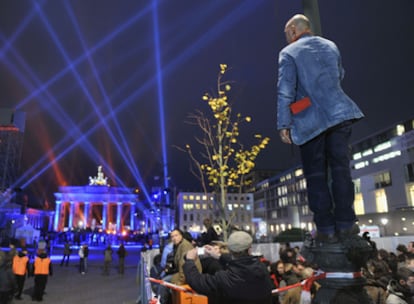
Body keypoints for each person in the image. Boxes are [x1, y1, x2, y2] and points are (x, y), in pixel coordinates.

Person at [276, 14, 364, 241]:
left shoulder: (289, 53)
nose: (287, 39)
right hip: (340, 113)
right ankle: (346, 223)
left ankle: (325, 229)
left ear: (294, 30)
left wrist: (284, 123)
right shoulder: (331, 46)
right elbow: (339, 75)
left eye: (287, 34)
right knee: (341, 171)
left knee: (316, 175)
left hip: (310, 121)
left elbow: (286, 90)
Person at [183, 230, 273, 304]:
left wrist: (189, 261)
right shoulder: (262, 269)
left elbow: (197, 281)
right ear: (249, 249)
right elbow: (241, 264)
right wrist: (219, 256)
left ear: (230, 250)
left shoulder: (225, 278)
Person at [158, 228, 202, 304]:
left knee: (164, 282)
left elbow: (183, 265)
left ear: (181, 236)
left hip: (189, 274)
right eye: (172, 236)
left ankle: (161, 302)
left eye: (176, 235)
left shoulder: (184, 246)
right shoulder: (179, 245)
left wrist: (179, 282)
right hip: (186, 273)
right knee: (165, 280)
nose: (174, 238)